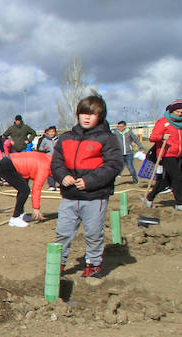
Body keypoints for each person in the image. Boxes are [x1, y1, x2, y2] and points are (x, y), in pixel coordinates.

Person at [52, 94, 123, 278]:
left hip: (95, 197)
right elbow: (56, 162)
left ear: (100, 116)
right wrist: (63, 176)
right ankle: (57, 264)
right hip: (69, 196)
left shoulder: (107, 138)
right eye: (83, 113)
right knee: (62, 233)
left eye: (91, 114)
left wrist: (90, 181)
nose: (86, 117)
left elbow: (113, 165)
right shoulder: (66, 137)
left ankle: (93, 264)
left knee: (93, 233)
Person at [0, 151, 51, 227]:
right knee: (25, 190)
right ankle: (15, 218)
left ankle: (21, 214)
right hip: (8, 166)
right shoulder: (45, 167)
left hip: (14, 164)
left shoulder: (49, 159)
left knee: (23, 189)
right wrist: (36, 208)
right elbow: (36, 188)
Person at [147, 100, 182, 210]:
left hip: (180, 154)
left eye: (181, 112)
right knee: (177, 177)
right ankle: (180, 203)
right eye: (177, 111)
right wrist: (162, 137)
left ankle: (150, 198)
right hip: (167, 154)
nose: (180, 113)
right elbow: (152, 137)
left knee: (166, 180)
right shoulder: (163, 122)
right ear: (172, 110)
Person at [112, 120, 146, 185]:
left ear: (125, 127)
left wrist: (141, 148)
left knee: (130, 167)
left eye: (121, 126)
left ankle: (135, 180)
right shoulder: (116, 133)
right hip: (120, 153)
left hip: (128, 153)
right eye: (118, 126)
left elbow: (136, 140)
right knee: (117, 167)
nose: (119, 128)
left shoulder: (129, 132)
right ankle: (112, 183)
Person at [36, 125, 59, 190]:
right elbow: (40, 148)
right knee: (50, 172)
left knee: (57, 171)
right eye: (50, 132)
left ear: (55, 132)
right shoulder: (45, 140)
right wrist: (45, 149)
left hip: (56, 158)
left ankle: (57, 185)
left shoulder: (58, 139)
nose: (52, 133)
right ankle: (51, 185)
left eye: (53, 132)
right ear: (48, 132)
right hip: (48, 158)